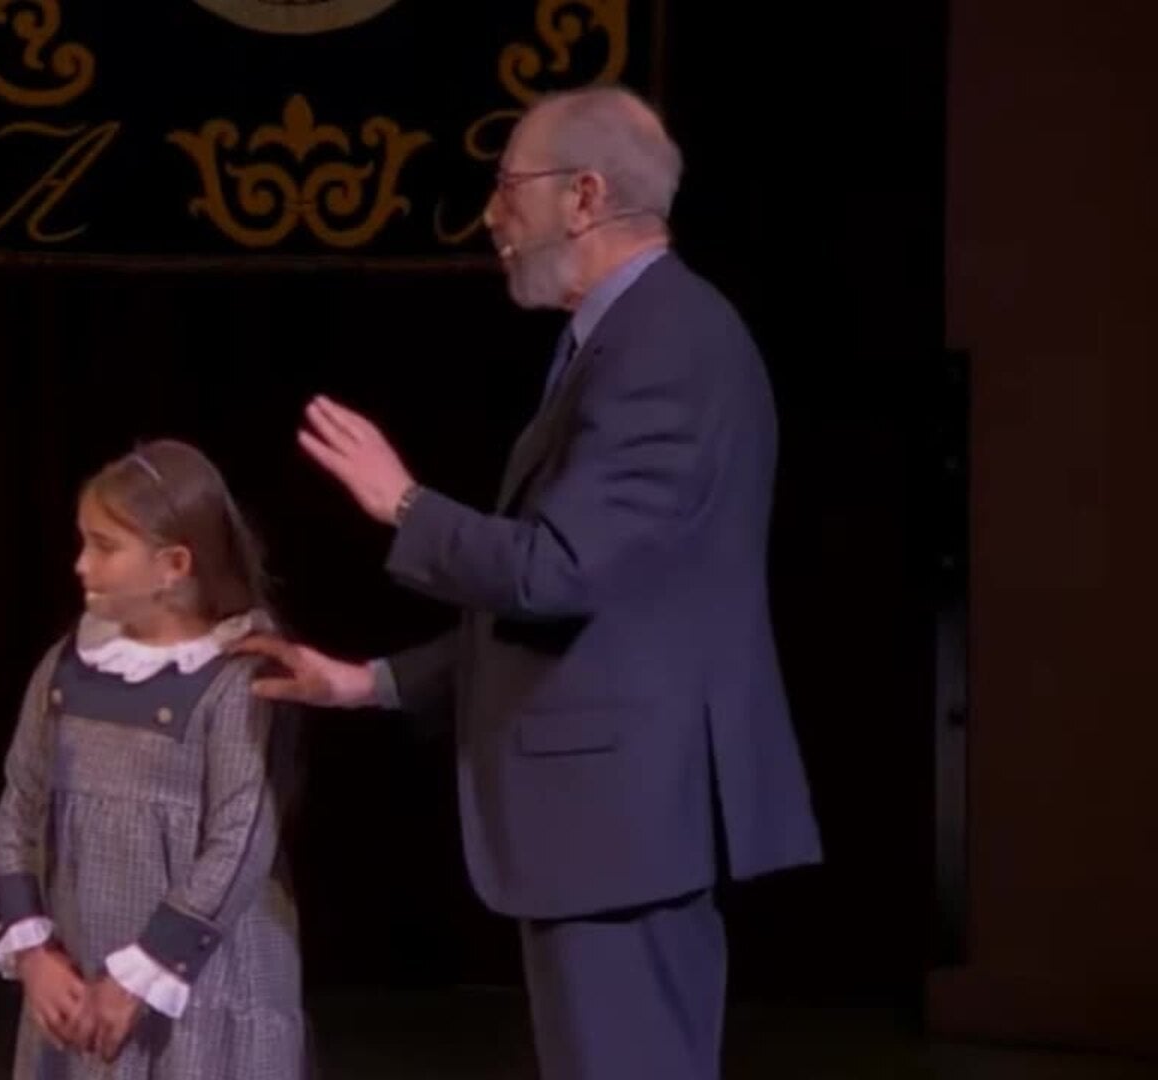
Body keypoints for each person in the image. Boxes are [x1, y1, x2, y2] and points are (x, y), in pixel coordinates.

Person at [233, 85, 822, 1080]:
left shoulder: (665, 345)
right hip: (614, 824)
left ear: (584, 196)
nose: (491, 217)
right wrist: (368, 682)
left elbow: (558, 573)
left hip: (625, 823)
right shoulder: (621, 339)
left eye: (509, 188)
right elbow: (596, 613)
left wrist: (405, 505)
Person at [0, 439, 308, 1079]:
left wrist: (146, 970)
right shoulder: (65, 669)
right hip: (81, 986)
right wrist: (34, 951)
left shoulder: (237, 677)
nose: (82, 564)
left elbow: (239, 841)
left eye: (105, 547)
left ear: (174, 565)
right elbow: (18, 805)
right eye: (84, 542)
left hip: (203, 993)